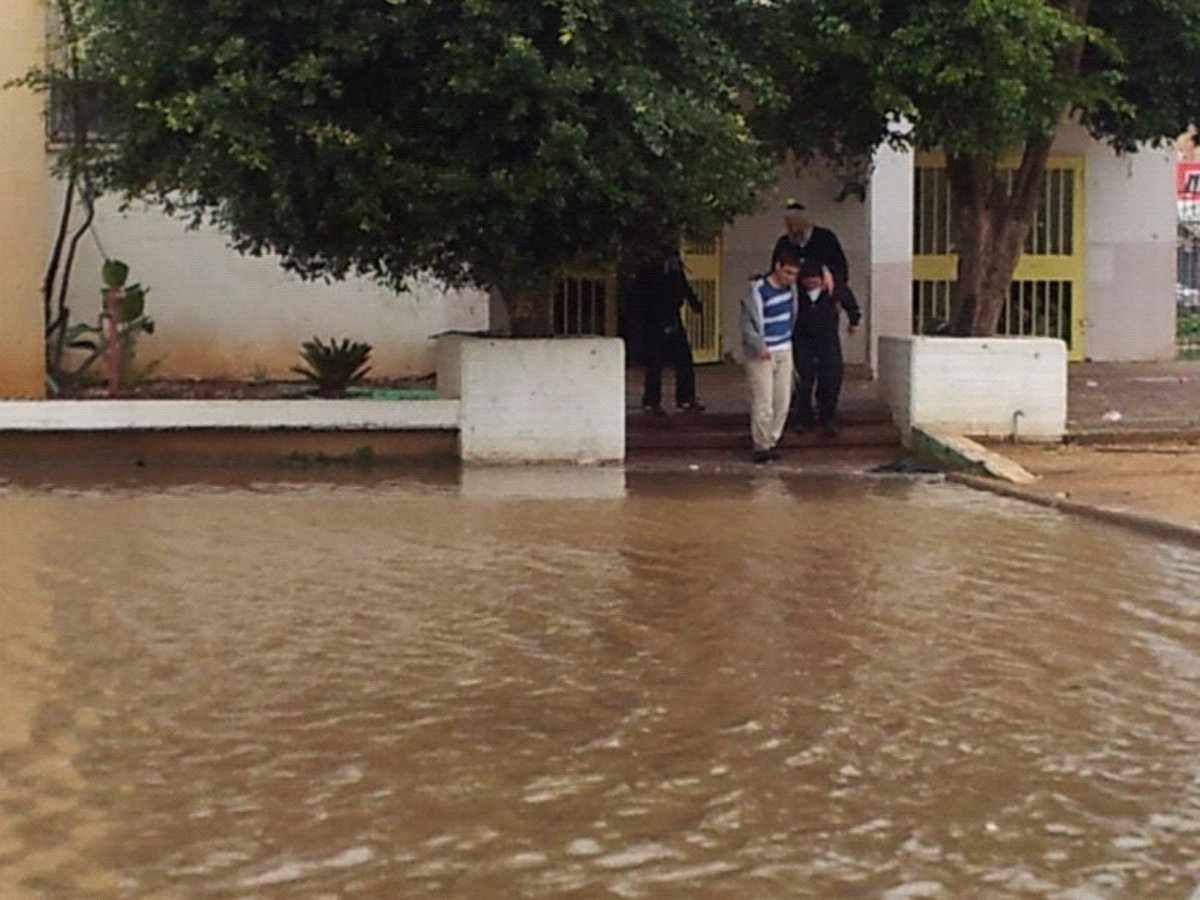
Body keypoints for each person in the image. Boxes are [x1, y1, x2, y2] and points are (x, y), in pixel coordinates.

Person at [741, 246, 801, 463]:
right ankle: (761, 444)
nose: (791, 278)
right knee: (763, 400)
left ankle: (772, 440)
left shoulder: (791, 290)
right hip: (762, 352)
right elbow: (747, 322)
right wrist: (759, 344)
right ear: (777, 267)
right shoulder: (758, 291)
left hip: (784, 348)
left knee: (782, 399)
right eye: (788, 273)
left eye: (794, 274)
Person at [791, 257, 861, 437]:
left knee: (831, 377)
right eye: (807, 282)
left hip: (827, 338)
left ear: (822, 279)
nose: (811, 285)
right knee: (803, 379)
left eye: (814, 282)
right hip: (802, 339)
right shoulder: (795, 290)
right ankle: (803, 418)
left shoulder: (834, 289)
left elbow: (850, 303)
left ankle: (828, 417)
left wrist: (854, 321)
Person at [634, 249, 705, 414]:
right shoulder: (651, 269)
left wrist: (694, 303)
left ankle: (685, 399)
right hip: (655, 321)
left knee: (683, 360)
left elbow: (682, 286)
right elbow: (647, 297)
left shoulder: (672, 268)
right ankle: (652, 402)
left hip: (671, 318)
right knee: (655, 362)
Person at [771, 201, 849, 290]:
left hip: (823, 290)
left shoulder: (825, 238)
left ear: (807, 223)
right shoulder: (784, 242)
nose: (794, 229)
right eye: (790, 226)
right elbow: (775, 269)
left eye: (797, 225)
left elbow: (839, 267)